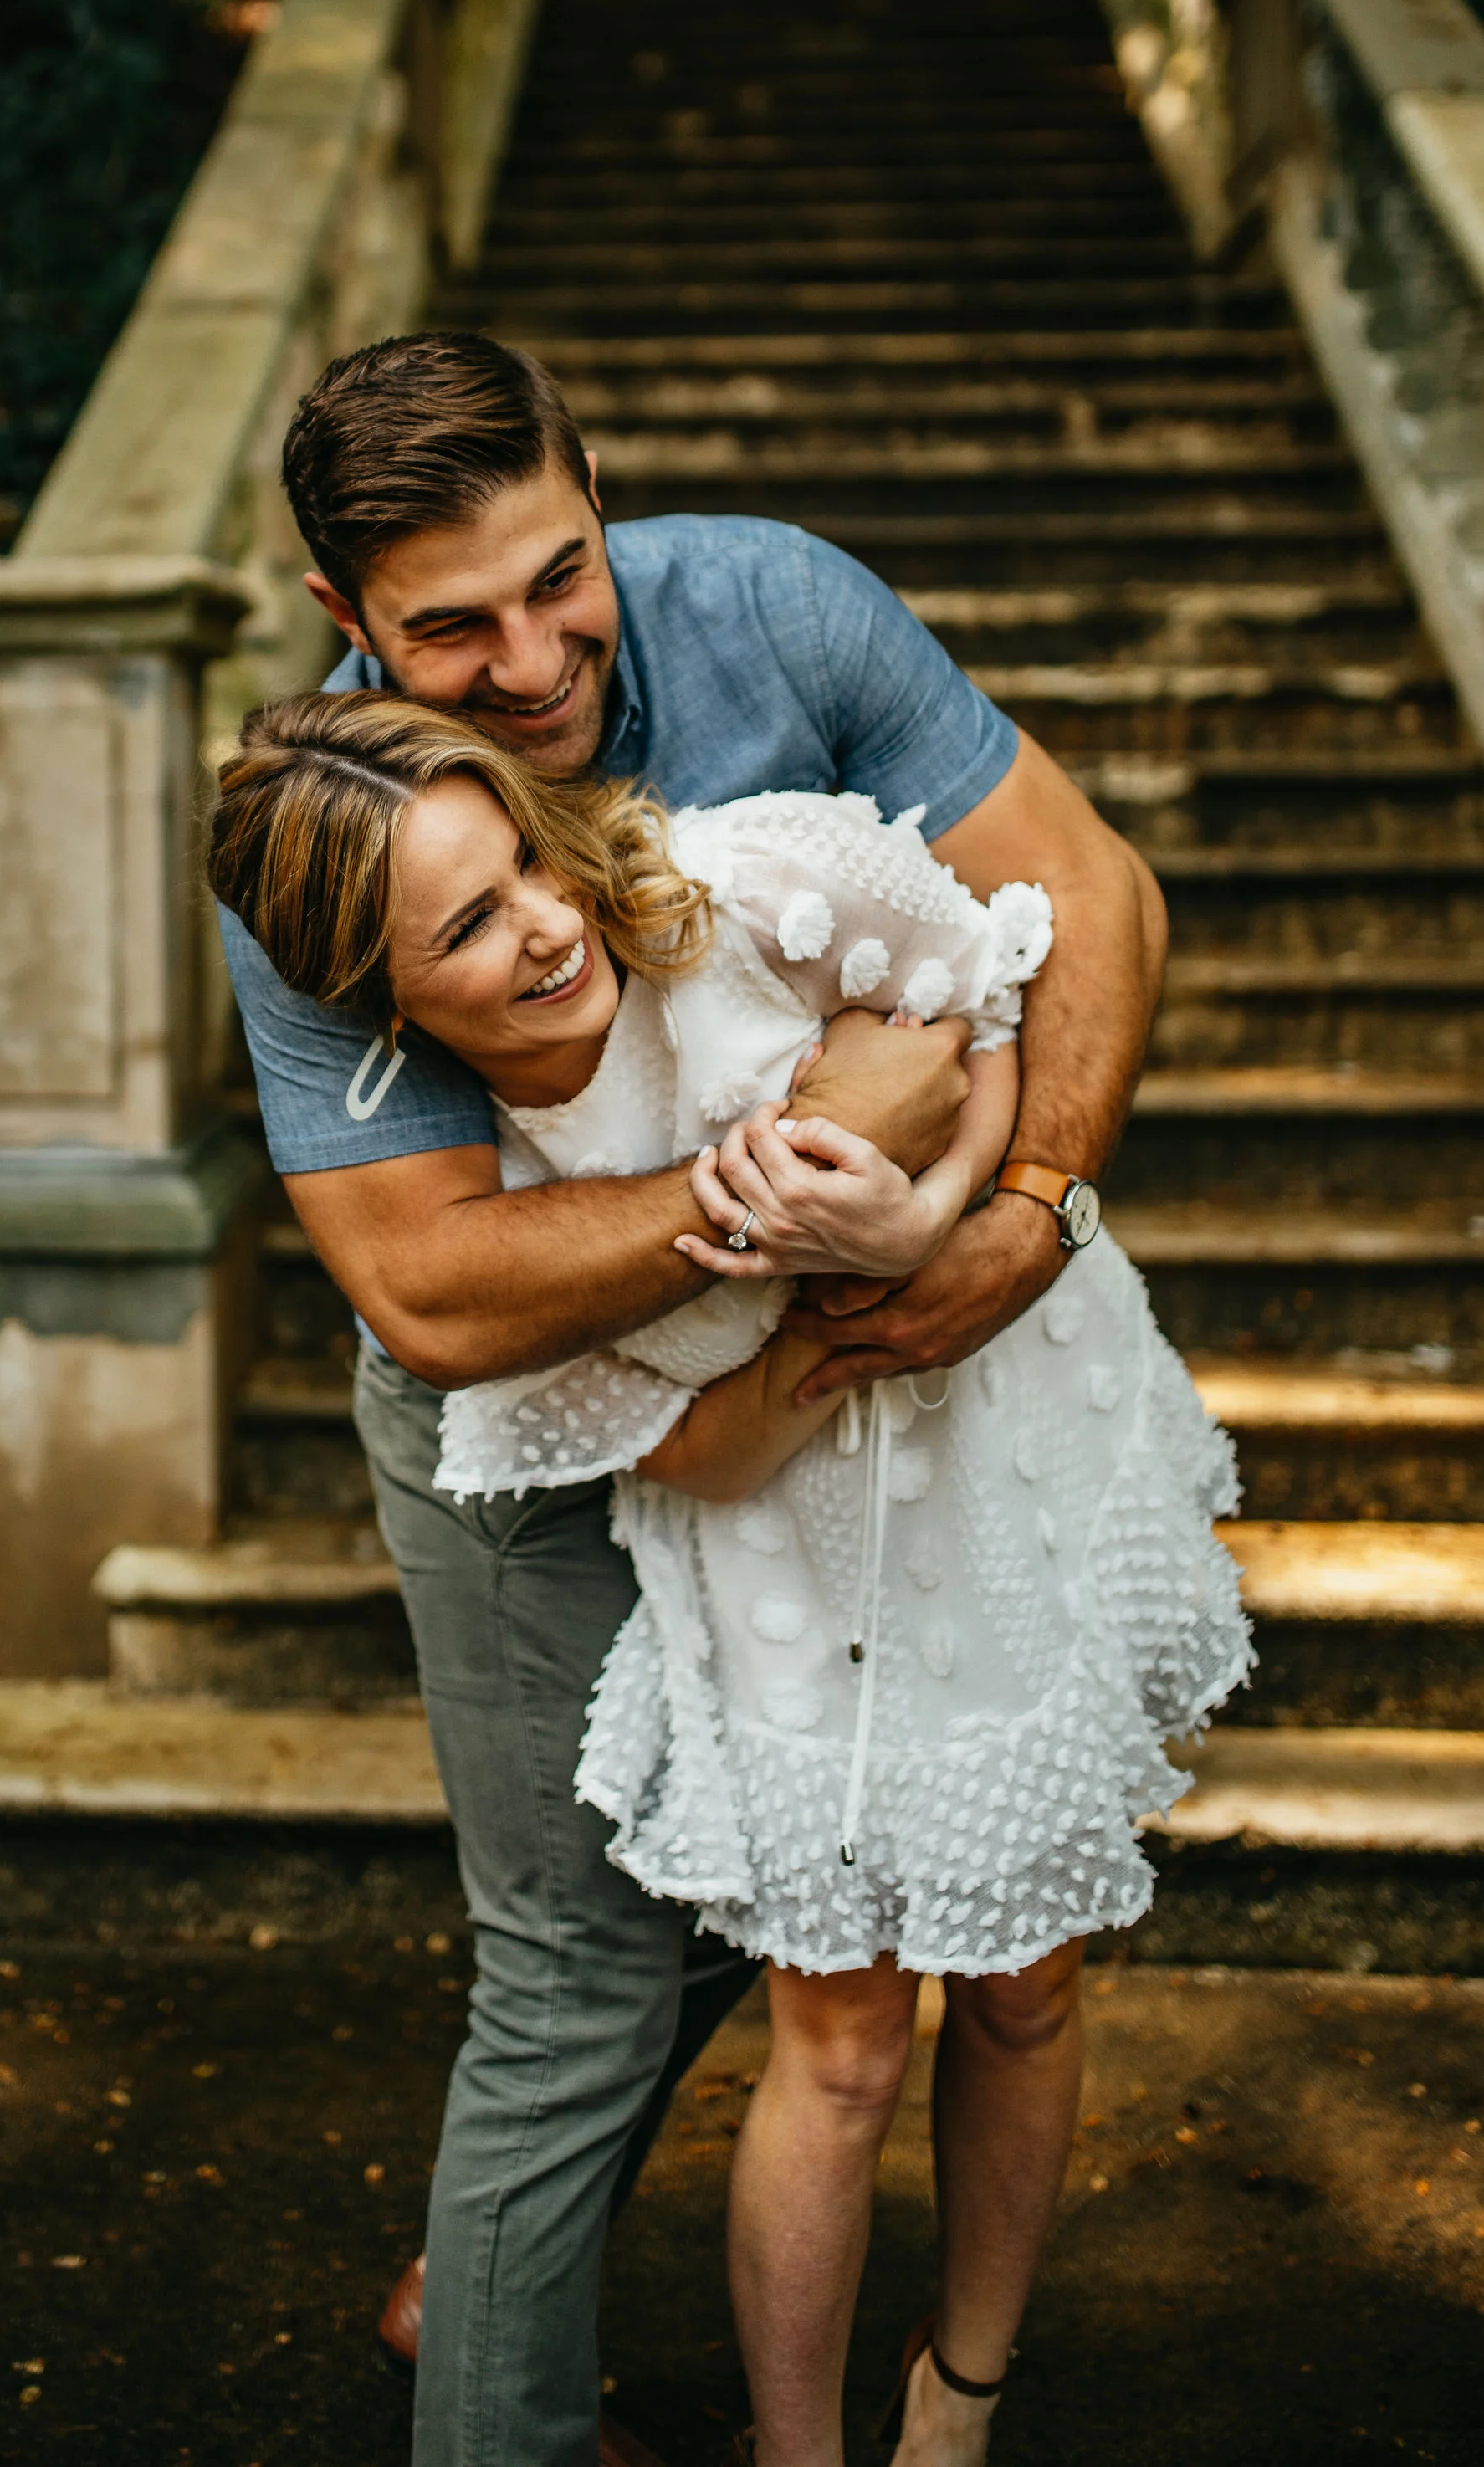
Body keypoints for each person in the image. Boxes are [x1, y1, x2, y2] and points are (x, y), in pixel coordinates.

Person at [213, 332, 1169, 2467]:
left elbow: (1081, 892)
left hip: (855, 1380)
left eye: (562, 577)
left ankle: (481, 2276)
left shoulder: (770, 606)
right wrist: (792, 1171)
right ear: (343, 621)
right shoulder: (337, 842)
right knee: (578, 1957)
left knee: (780, 1878)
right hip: (534, 1424)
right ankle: (505, 2416)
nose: (535, 656)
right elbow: (435, 1293)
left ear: (596, 497)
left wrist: (1020, 1203)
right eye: (451, 627)